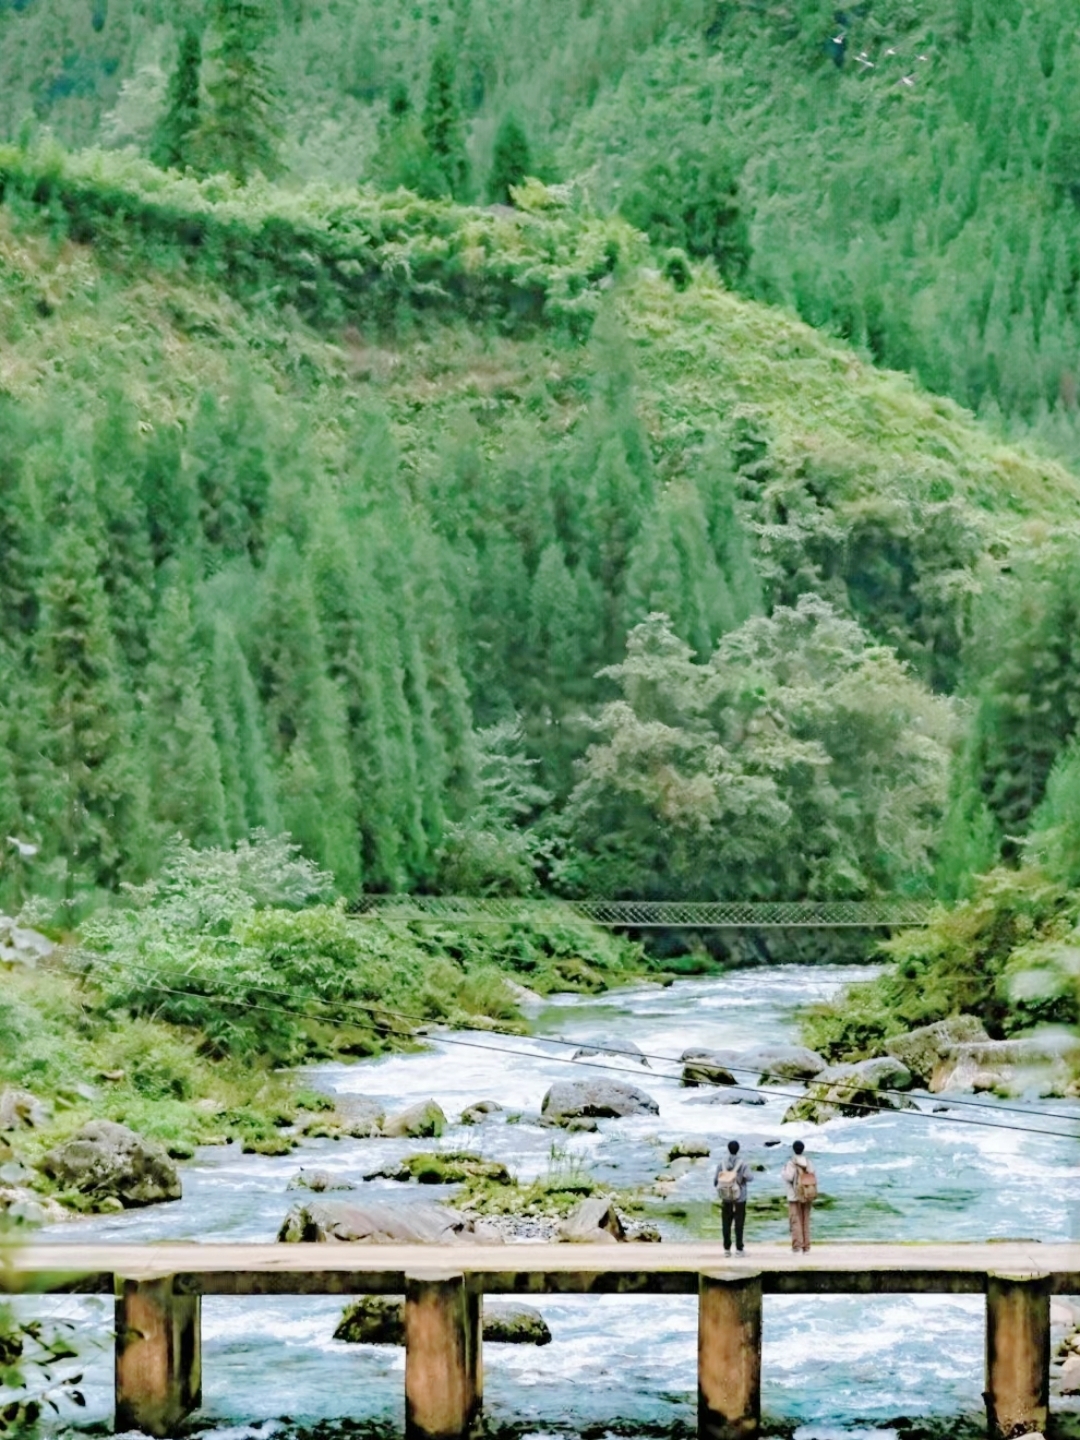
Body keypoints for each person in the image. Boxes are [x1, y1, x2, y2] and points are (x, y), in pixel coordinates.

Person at [714, 1139, 752, 1255]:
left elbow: (716, 1181)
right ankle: (739, 1249)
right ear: (738, 1149)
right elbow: (750, 1177)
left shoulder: (722, 1163)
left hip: (726, 1197)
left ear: (728, 1149)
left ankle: (726, 1249)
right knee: (739, 1223)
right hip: (740, 1197)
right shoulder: (743, 1163)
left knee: (726, 1223)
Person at [781, 1139, 816, 1253]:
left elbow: (788, 1177)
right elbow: (812, 1175)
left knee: (795, 1221)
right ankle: (806, 1246)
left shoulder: (791, 1162)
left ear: (794, 1149)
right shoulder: (808, 1162)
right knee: (805, 1220)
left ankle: (797, 1246)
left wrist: (783, 1171)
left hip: (794, 1196)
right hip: (807, 1194)